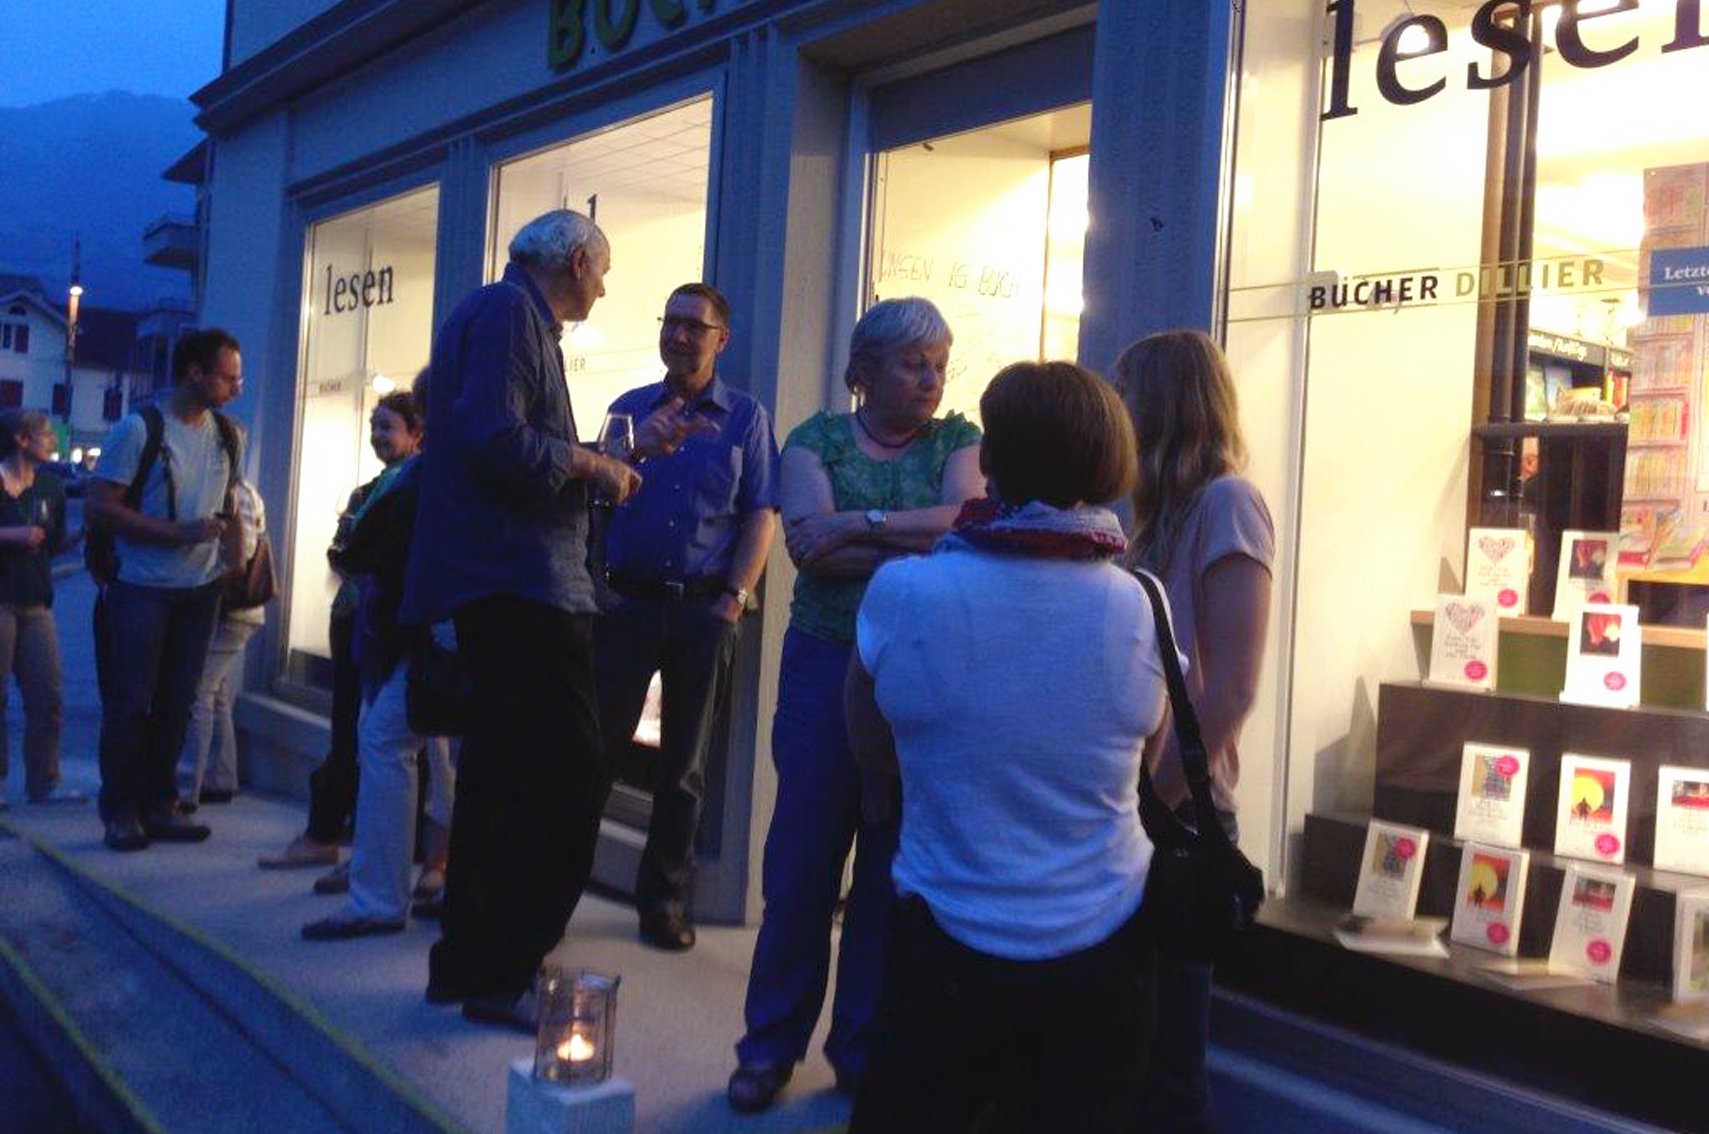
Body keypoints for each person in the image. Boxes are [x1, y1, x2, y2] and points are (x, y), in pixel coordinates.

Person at [845, 359, 1163, 1133]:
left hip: (944, 928)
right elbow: (1150, 757)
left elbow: (868, 740)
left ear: (990, 463)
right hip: (1105, 936)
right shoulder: (1137, 605)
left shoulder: (905, 592)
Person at [728, 297, 982, 1113]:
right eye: (914, 364)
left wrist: (860, 522)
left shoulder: (959, 439)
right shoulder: (815, 439)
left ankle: (860, 1046)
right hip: (826, 665)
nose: (932, 380)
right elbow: (807, 547)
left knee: (888, 866)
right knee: (802, 862)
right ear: (864, 369)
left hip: (918, 671)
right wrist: (913, 536)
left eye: (939, 364)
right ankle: (768, 1047)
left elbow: (963, 527)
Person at [401, 209, 639, 1030]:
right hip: (523, 587)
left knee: (501, 779)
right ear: (576, 259)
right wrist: (592, 464)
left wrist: (589, 464)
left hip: (506, 586)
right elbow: (496, 440)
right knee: (564, 776)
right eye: (600, 273)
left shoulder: (492, 312)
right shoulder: (508, 314)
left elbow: (487, 437)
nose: (602, 289)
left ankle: (469, 964)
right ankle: (503, 967)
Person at [1112, 329, 1274, 1134]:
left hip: (1177, 811)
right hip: (1146, 803)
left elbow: (1234, 687)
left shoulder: (1226, 503)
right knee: (1134, 1043)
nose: (1117, 412)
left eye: (1126, 393)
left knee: (1170, 1062)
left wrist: (1154, 801)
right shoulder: (1156, 517)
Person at [596, 282, 779, 952]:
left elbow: (762, 510)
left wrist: (734, 598)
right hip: (626, 604)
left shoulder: (745, 419)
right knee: (597, 753)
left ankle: (663, 902)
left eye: (692, 326)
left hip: (704, 608)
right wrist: (635, 447)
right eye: (669, 322)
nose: (677, 335)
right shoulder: (628, 409)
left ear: (719, 340)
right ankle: (555, 885)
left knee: (683, 768)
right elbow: (590, 488)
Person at [303, 378, 456, 940]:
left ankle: (394, 893)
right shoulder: (439, 471)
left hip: (438, 634)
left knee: (397, 744)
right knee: (416, 750)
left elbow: (355, 547)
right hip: (445, 632)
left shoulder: (422, 476)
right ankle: (423, 885)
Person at [88, 328, 244, 852]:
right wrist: (176, 533)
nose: (236, 388)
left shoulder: (227, 434)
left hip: (201, 588)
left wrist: (236, 560)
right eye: (228, 377)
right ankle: (120, 809)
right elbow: (101, 506)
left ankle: (160, 804)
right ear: (194, 373)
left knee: (178, 703)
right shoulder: (139, 429)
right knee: (131, 702)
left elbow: (231, 503)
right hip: (141, 587)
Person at [259, 391, 425, 882]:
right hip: (358, 620)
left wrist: (351, 553)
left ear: (417, 434)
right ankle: (345, 839)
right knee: (356, 731)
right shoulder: (378, 486)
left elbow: (357, 553)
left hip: (375, 625)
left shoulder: (404, 487)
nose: (378, 435)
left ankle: (328, 837)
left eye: (388, 426)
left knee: (361, 735)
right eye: (374, 425)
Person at [0, 409, 82, 807]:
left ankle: (43, 782)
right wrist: (11, 534)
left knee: (48, 697)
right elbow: (23, 536)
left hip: (36, 602)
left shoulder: (51, 487)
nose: (53, 441)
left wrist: (85, 533)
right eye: (46, 434)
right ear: (21, 439)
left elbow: (52, 543)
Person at [177, 474, 268, 808]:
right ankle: (220, 776)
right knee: (216, 693)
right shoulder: (235, 488)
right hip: (234, 611)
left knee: (198, 690)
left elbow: (240, 556)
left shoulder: (234, 491)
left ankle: (187, 787)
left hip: (231, 610)